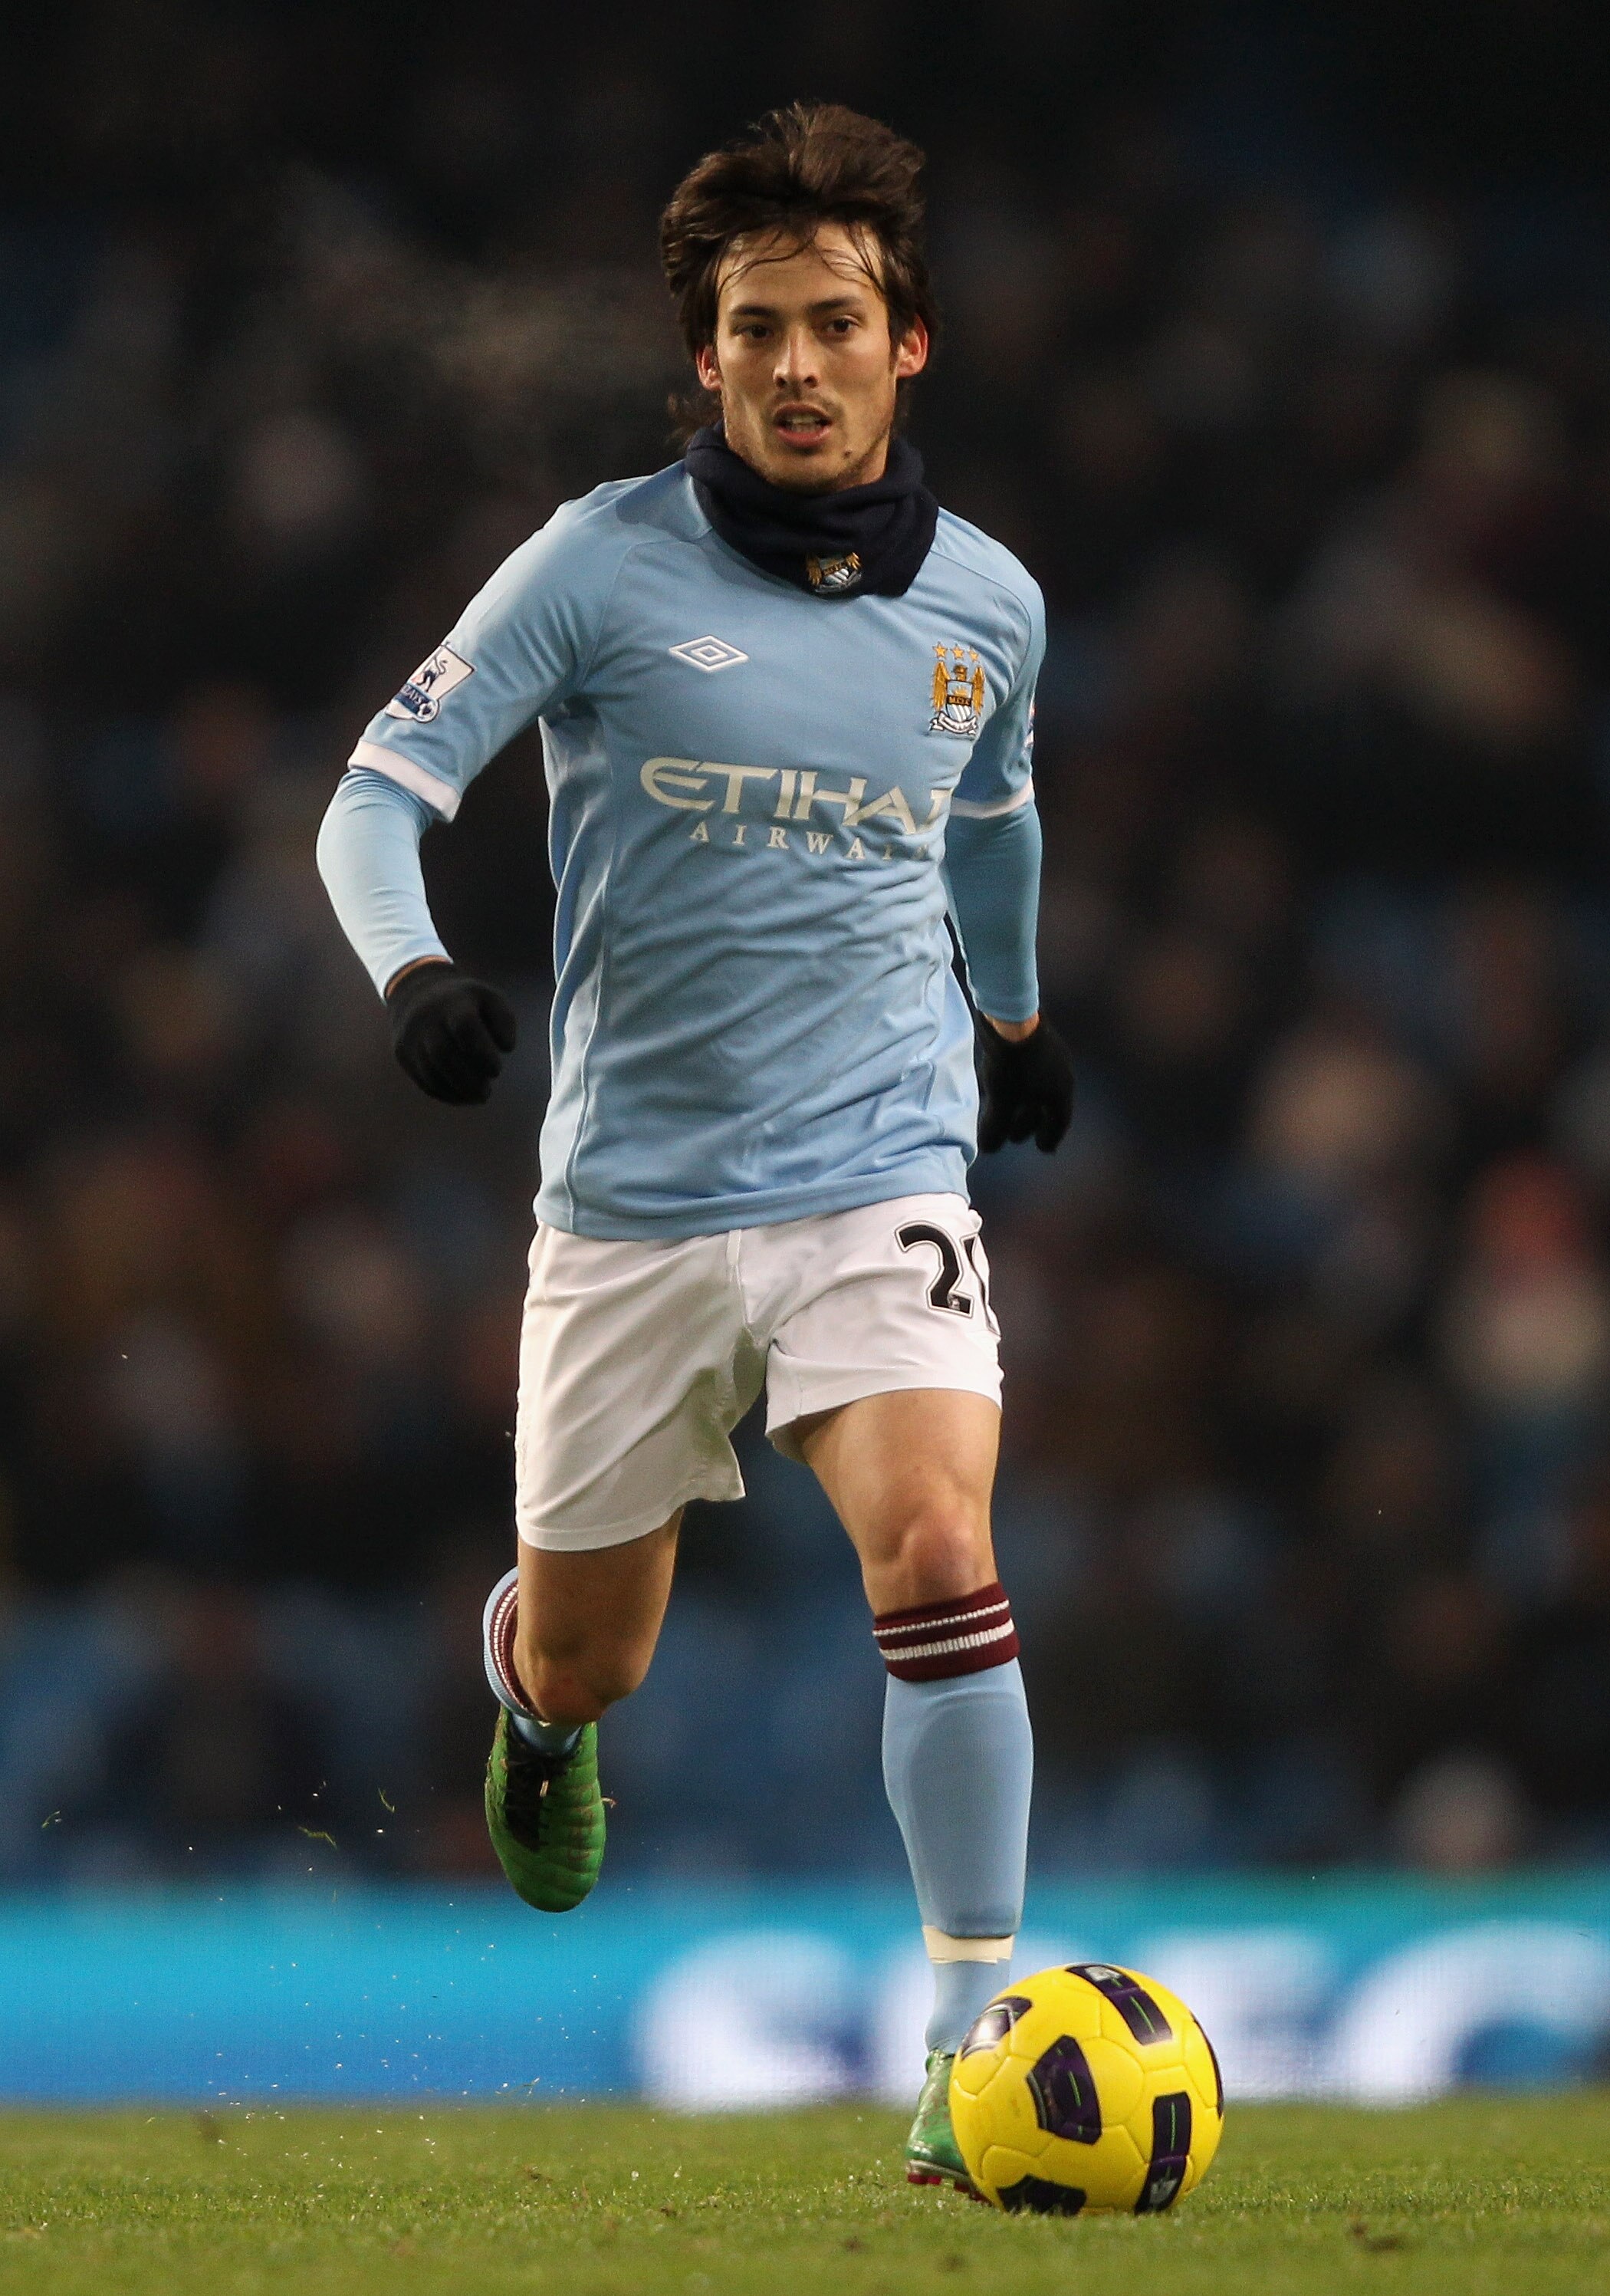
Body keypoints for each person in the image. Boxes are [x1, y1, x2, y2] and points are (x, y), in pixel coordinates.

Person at [317, 101, 1072, 2191]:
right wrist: (409, 969)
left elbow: (992, 822)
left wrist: (1007, 1023)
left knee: (938, 1549)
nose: (800, 363)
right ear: (707, 362)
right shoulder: (596, 564)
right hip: (633, 1210)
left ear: (906, 341)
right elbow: (372, 799)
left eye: (836, 320)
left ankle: (967, 2034)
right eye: (759, 330)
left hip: (877, 1170)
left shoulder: (989, 607)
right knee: (596, 1648)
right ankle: (533, 1709)